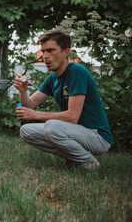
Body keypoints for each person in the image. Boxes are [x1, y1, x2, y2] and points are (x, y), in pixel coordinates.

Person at [14, 29, 112, 170]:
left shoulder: (77, 71)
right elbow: (29, 105)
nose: (45, 56)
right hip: (76, 133)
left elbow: (72, 117)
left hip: (97, 136)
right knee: (26, 131)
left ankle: (89, 162)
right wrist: (23, 91)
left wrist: (35, 115)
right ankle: (74, 157)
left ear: (66, 52)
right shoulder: (52, 79)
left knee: (52, 127)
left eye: (50, 50)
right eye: (43, 51)